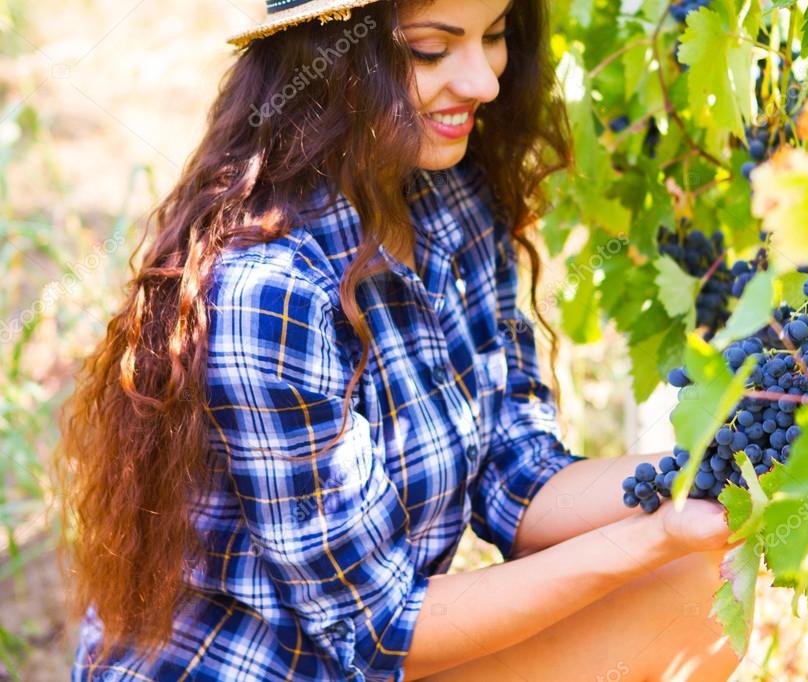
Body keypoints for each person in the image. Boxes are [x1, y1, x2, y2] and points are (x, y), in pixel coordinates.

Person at [58, 1, 740, 680]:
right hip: (265, 668)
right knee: (672, 576)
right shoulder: (271, 291)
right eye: (430, 49)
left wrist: (717, 465)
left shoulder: (452, 199)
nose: (484, 82)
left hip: (369, 656)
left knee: (693, 595)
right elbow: (378, 632)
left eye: (494, 36)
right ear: (327, 62)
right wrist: (652, 534)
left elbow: (516, 475)